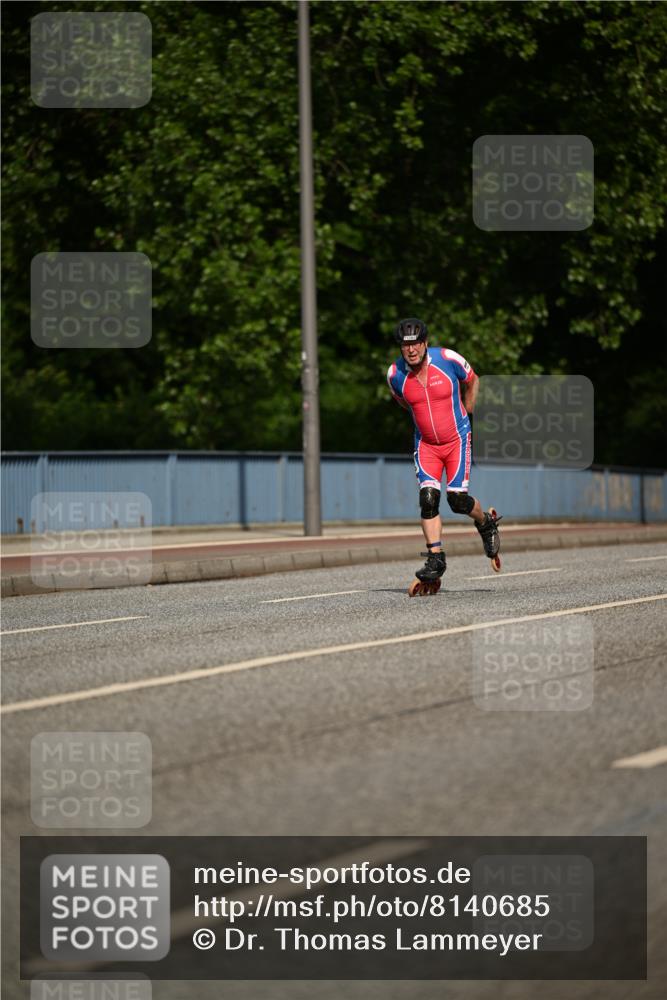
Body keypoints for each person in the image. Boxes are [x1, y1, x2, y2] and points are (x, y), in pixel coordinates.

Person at [386, 317, 500, 585]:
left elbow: (472, 380)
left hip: (457, 440)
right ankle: (435, 558)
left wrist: (468, 410)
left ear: (425, 343)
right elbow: (405, 403)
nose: (411, 350)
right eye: (405, 345)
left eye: (415, 344)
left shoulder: (447, 359)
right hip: (425, 444)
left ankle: (485, 523)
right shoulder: (395, 375)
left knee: (457, 500)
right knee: (428, 498)